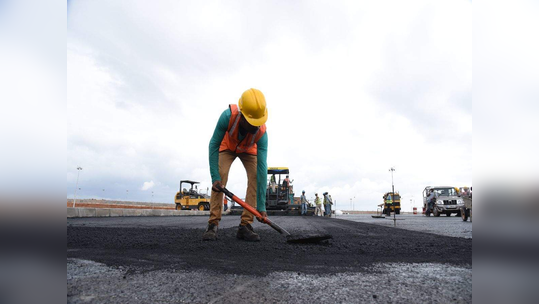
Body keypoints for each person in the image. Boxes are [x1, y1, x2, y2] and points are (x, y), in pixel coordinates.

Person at [202, 88, 269, 242]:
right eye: (252, 124)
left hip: (249, 150)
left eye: (258, 124)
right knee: (221, 176)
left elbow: (262, 170)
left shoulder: (262, 133)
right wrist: (215, 177)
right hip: (228, 146)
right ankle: (213, 224)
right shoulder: (227, 116)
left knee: (254, 177)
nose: (255, 128)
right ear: (242, 116)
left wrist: (261, 206)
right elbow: (213, 145)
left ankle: (245, 225)